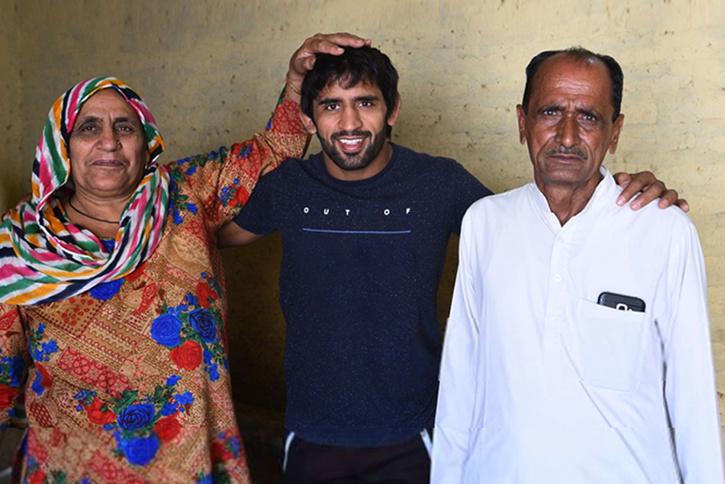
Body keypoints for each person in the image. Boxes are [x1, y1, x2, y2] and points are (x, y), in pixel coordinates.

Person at [218, 45, 684, 483]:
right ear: (307, 116)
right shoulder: (288, 187)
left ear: (393, 109)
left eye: (365, 102)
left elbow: (536, 229)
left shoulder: (438, 182)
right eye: (331, 105)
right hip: (311, 432)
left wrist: (619, 201)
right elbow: (206, 238)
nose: (350, 122)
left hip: (414, 433)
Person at [0, 33, 369, 483]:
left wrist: (297, 83)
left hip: (191, 465)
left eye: (125, 127)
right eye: (88, 128)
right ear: (61, 146)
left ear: (146, 140)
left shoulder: (183, 195)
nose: (109, 143)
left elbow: (273, 153)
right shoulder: (20, 243)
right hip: (71, 468)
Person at [432, 47, 723, 483]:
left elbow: (694, 399)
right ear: (522, 122)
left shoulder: (664, 232)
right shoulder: (486, 223)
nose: (567, 136)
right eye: (550, 111)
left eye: (588, 117)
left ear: (615, 131)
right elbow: (460, 381)